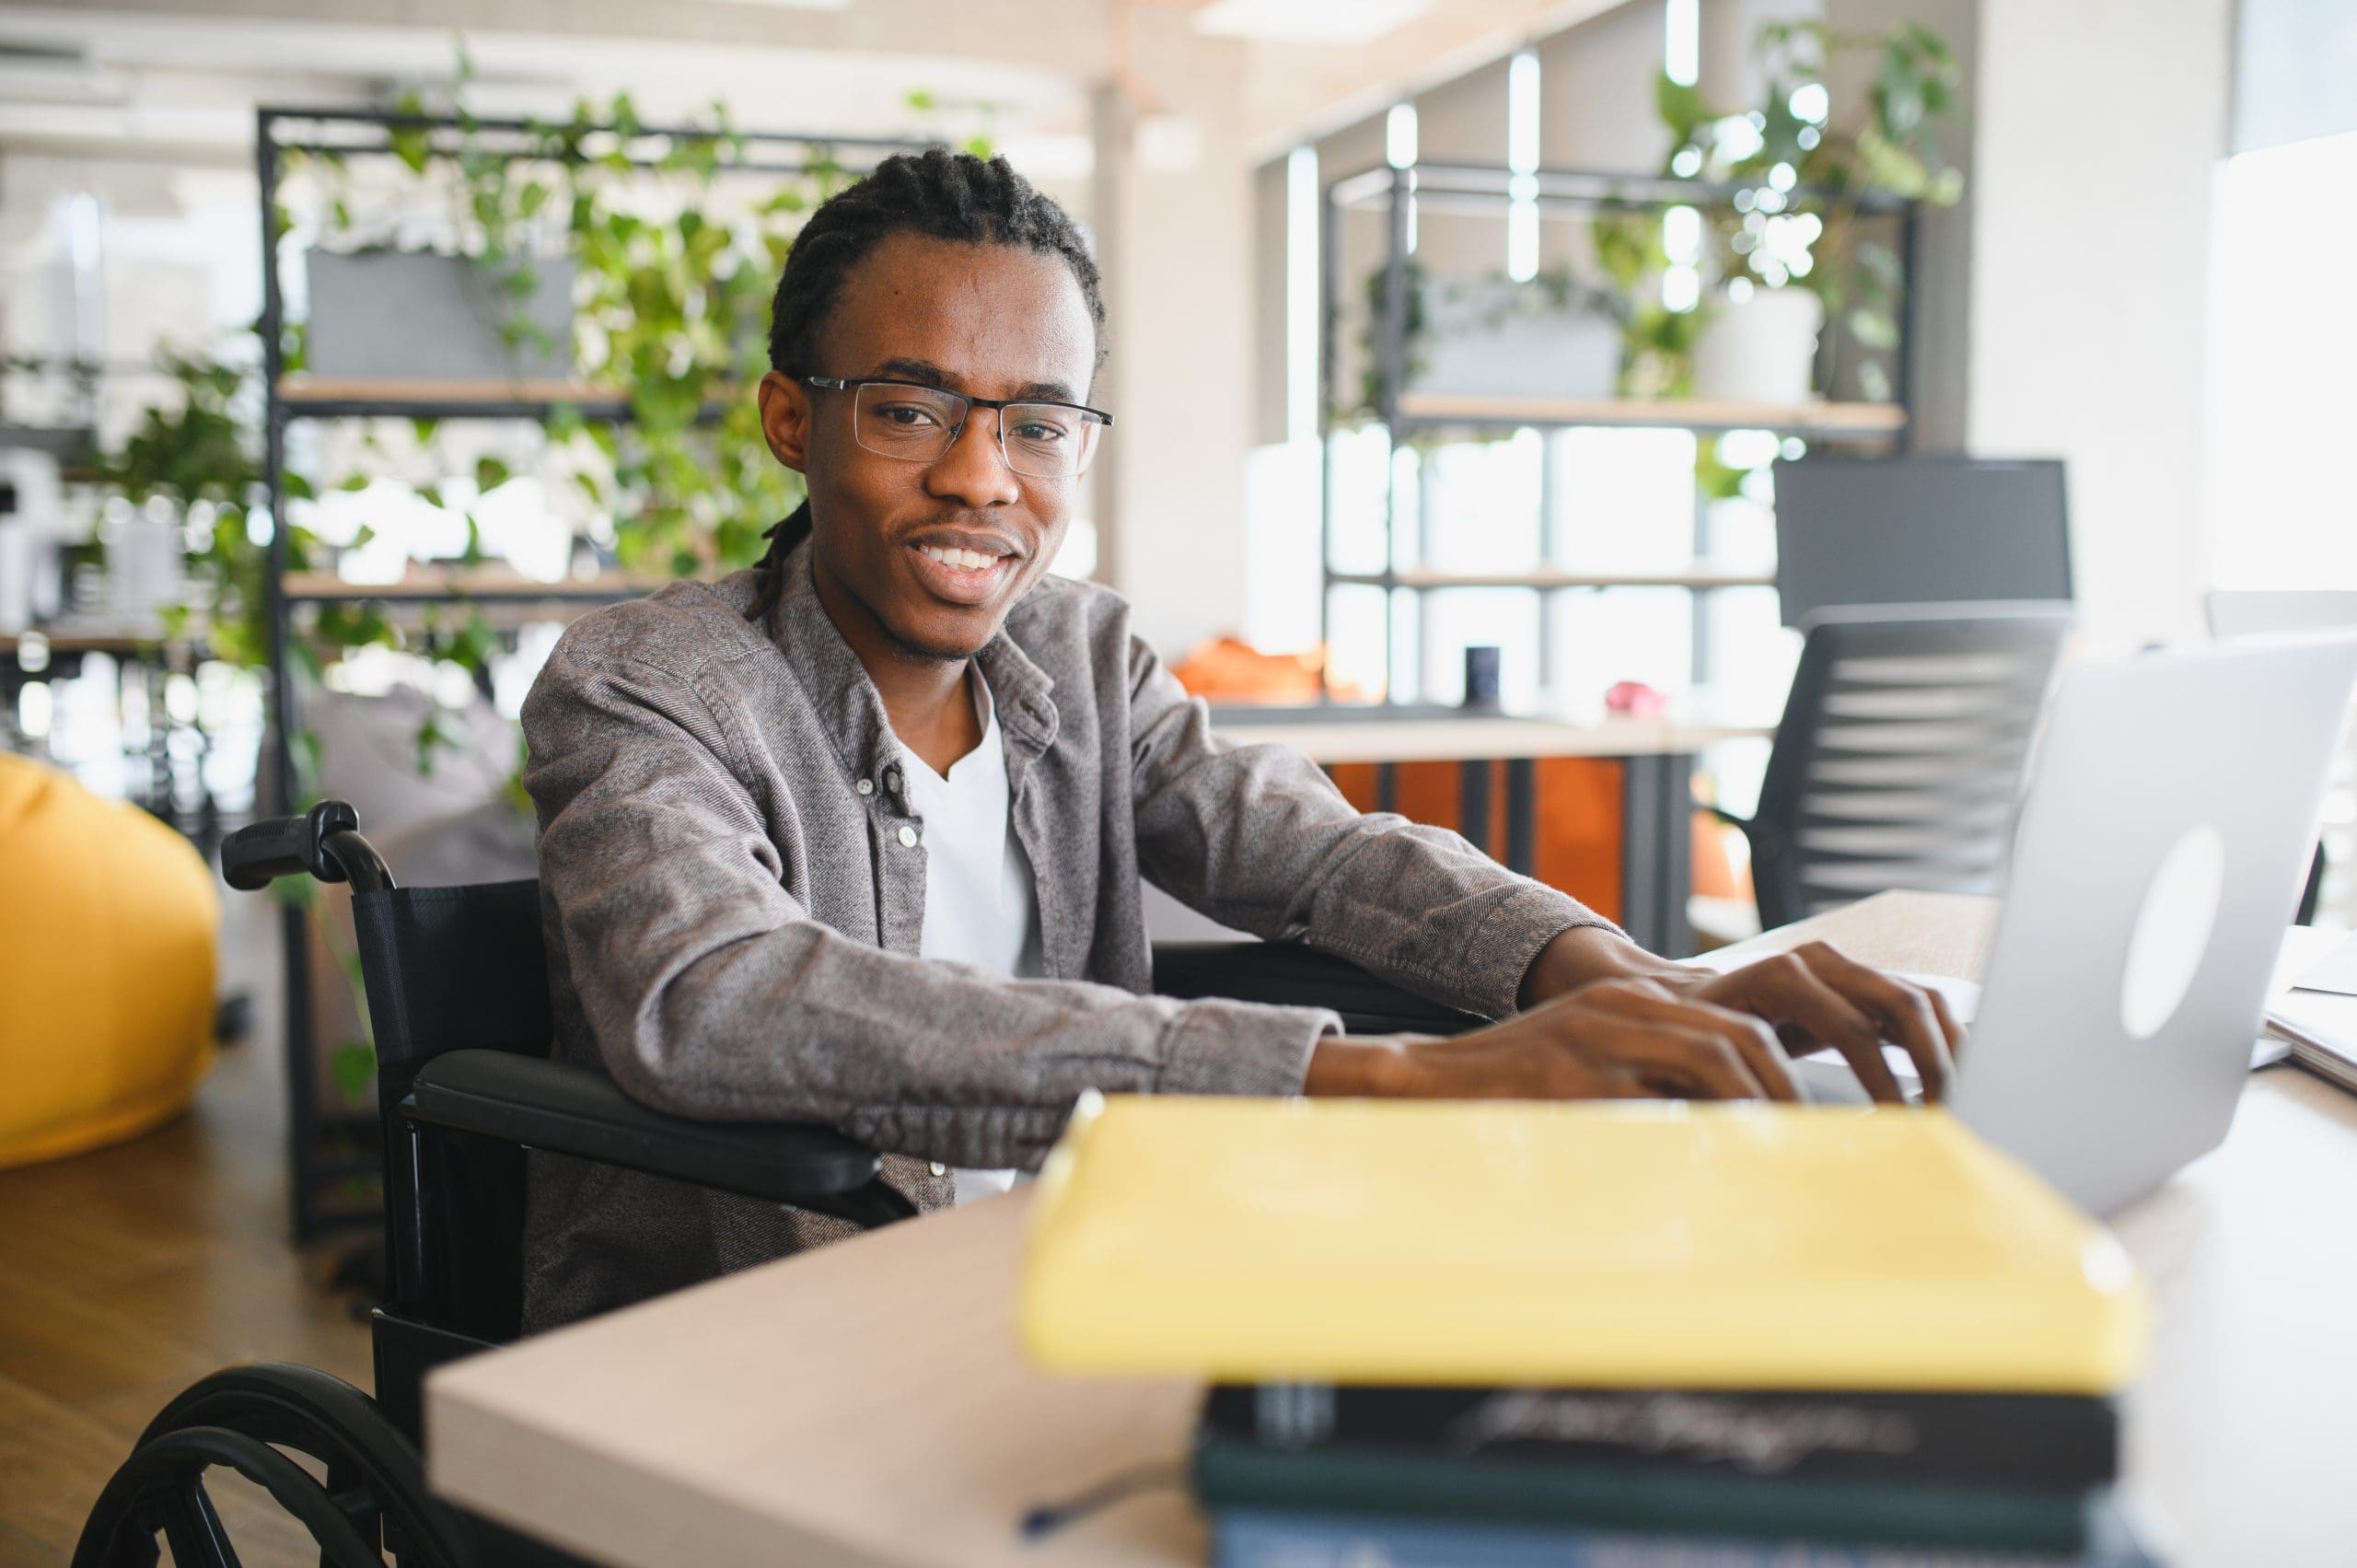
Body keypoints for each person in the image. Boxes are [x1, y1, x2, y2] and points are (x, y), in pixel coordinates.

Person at [517, 149, 1961, 1330]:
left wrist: (1626, 971)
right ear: (791, 419)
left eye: (1036, 426)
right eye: (909, 410)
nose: (979, 477)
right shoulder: (649, 685)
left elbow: (1323, 856)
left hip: (1090, 1296)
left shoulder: (1079, 657)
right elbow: (715, 997)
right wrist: (1382, 1081)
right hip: (774, 1348)